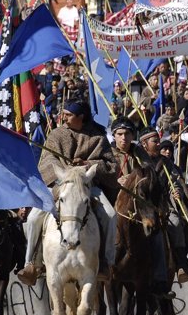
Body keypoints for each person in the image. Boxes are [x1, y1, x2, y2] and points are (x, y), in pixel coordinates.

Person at [18, 101, 118, 286]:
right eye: (63, 113)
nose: (63, 117)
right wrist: (67, 172)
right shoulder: (56, 134)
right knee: (32, 219)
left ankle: (106, 262)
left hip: (86, 187)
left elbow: (111, 166)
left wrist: (86, 165)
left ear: (81, 117)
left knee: (110, 216)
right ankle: (31, 263)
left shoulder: (98, 137)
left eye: (68, 114)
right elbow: (46, 162)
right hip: (59, 185)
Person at [137, 127, 188, 284]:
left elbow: (174, 183)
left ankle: (181, 262)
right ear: (144, 143)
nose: (158, 144)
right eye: (155, 141)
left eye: (158, 141)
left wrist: (176, 192)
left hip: (162, 205)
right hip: (140, 205)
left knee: (176, 222)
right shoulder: (137, 159)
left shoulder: (166, 164)